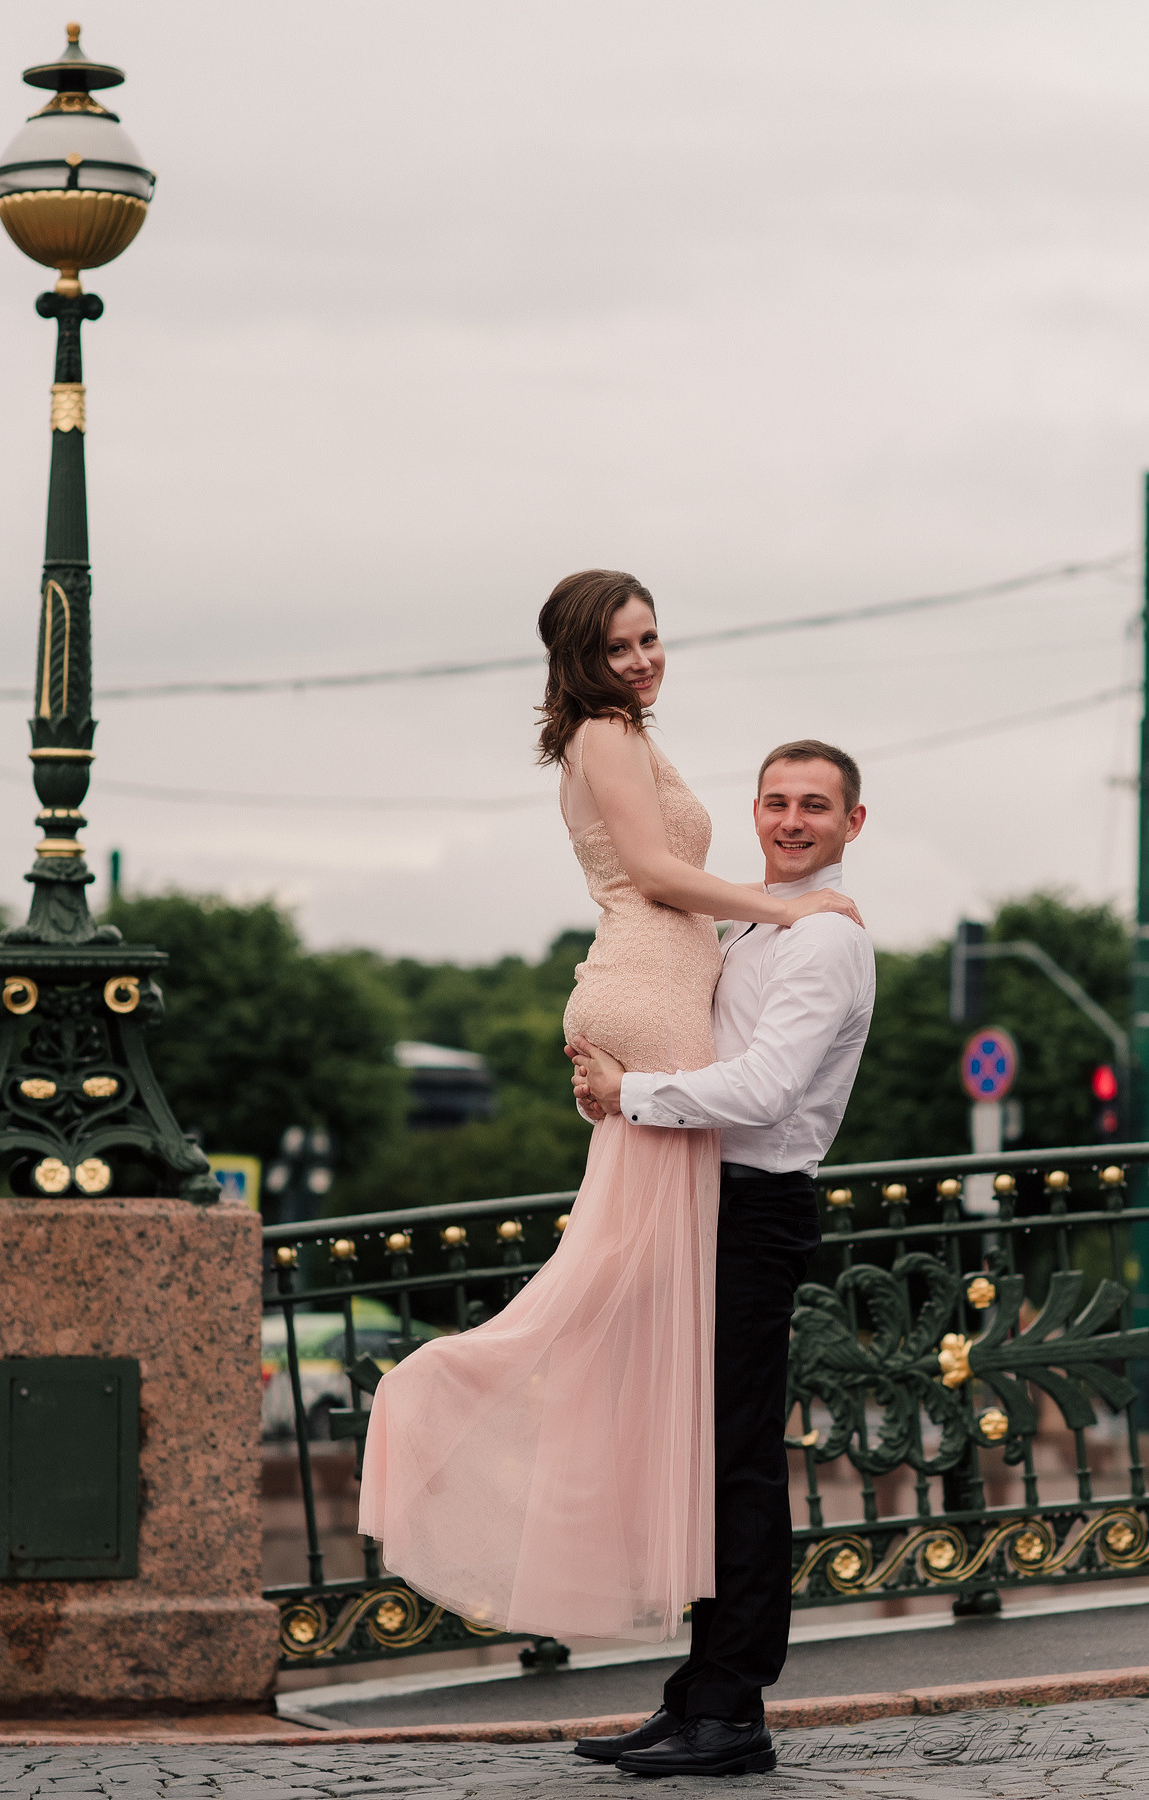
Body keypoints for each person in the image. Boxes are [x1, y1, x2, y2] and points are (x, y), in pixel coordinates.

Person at [357, 570, 861, 1657]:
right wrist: (784, 900)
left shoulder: (617, 735)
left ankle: (705, 1679)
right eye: (617, 644)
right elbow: (650, 872)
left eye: (649, 638)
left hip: (646, 997)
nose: (640, 658)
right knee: (629, 1311)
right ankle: (450, 1399)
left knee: (634, 1312)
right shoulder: (603, 733)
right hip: (646, 993)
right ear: (579, 658)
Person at [568, 738, 875, 1778]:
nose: (791, 821)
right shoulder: (756, 922)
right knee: (700, 1458)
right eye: (776, 803)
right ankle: (693, 1692)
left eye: (815, 808)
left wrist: (632, 1096)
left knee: (736, 1461)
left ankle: (733, 1707)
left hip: (752, 1209)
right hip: (701, 1199)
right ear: (754, 812)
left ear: (851, 825)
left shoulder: (822, 940)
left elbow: (765, 1089)